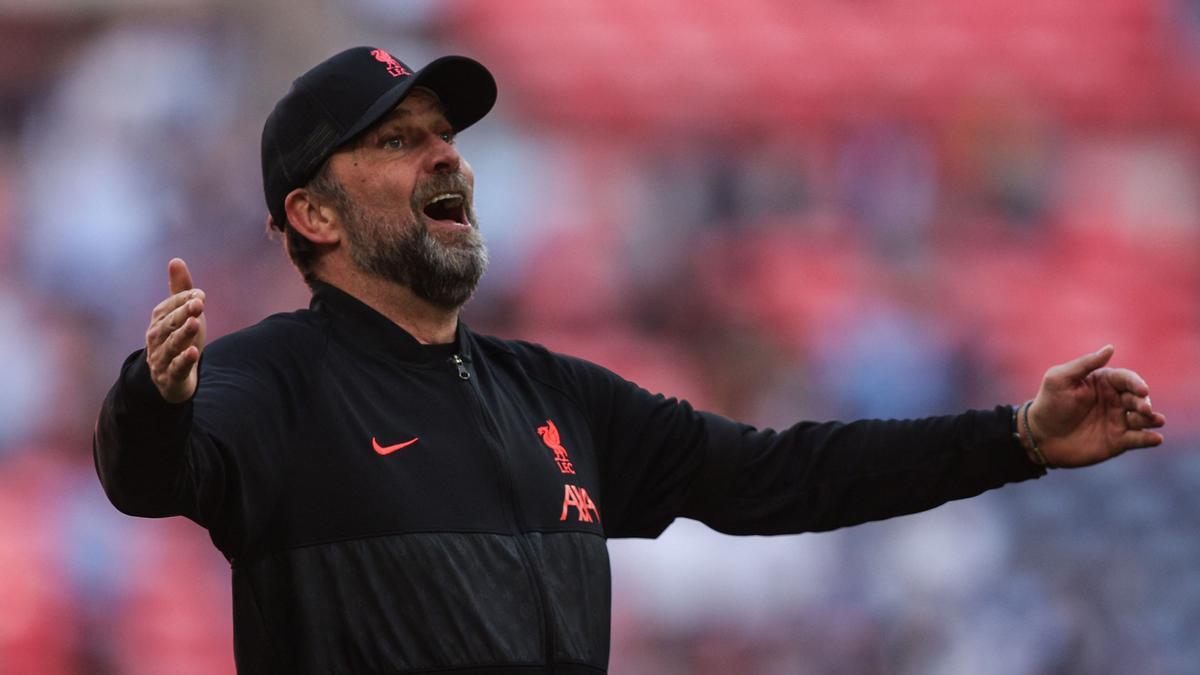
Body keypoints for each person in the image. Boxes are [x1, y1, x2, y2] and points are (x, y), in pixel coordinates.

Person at [93, 46, 1166, 674]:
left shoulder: (552, 393)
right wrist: (155, 392)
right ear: (311, 213)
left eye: (444, 133)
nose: (444, 155)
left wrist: (1017, 440)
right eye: (395, 140)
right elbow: (148, 475)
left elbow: (780, 473)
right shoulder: (268, 381)